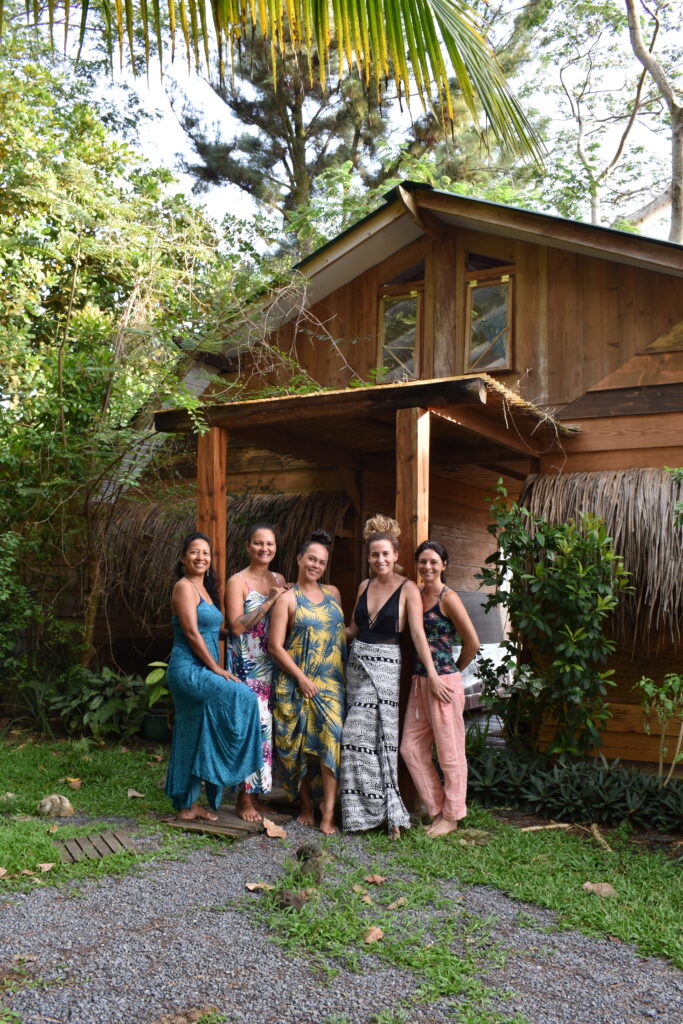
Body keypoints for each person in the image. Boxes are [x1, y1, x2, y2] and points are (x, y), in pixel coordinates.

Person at [340, 515, 443, 838]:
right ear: (369, 558)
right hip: (356, 665)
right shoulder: (363, 586)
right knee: (365, 742)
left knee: (361, 737)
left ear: (396, 555)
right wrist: (317, 625)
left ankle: (386, 812)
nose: (380, 559)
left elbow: (417, 634)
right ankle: (367, 816)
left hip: (385, 666)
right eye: (374, 555)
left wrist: (434, 674)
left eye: (385, 554)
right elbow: (354, 630)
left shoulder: (408, 588)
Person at [165, 532, 264, 820]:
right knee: (243, 696)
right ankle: (225, 770)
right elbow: (193, 634)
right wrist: (217, 669)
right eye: (194, 552)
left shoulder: (205, 589)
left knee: (194, 731)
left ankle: (188, 805)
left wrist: (238, 629)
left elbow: (211, 630)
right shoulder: (184, 587)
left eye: (205, 553)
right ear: (183, 558)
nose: (200, 557)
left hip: (201, 669)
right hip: (188, 669)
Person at [400, 540, 480, 837]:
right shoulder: (416, 595)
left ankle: (453, 815)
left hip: (444, 683)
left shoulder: (449, 598)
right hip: (420, 682)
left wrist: (453, 672)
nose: (428, 567)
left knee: (450, 752)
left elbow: (472, 642)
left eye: (434, 561)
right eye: (422, 562)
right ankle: (436, 809)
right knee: (410, 748)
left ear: (444, 565)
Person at [269, 529, 346, 835]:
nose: (316, 565)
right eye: (311, 559)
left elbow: (340, 632)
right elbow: (275, 646)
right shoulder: (287, 598)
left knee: (331, 738)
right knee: (300, 745)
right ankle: (305, 805)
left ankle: (328, 808)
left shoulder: (334, 594)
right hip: (296, 682)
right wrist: (301, 679)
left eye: (322, 562)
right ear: (299, 559)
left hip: (330, 682)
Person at [226, 524, 288, 822]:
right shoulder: (237, 581)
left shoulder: (279, 579)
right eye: (258, 543)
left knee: (268, 731)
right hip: (247, 666)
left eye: (270, 544)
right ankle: (243, 799)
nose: (265, 549)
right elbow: (236, 626)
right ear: (248, 546)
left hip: (273, 665)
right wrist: (271, 601)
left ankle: (258, 794)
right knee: (253, 729)